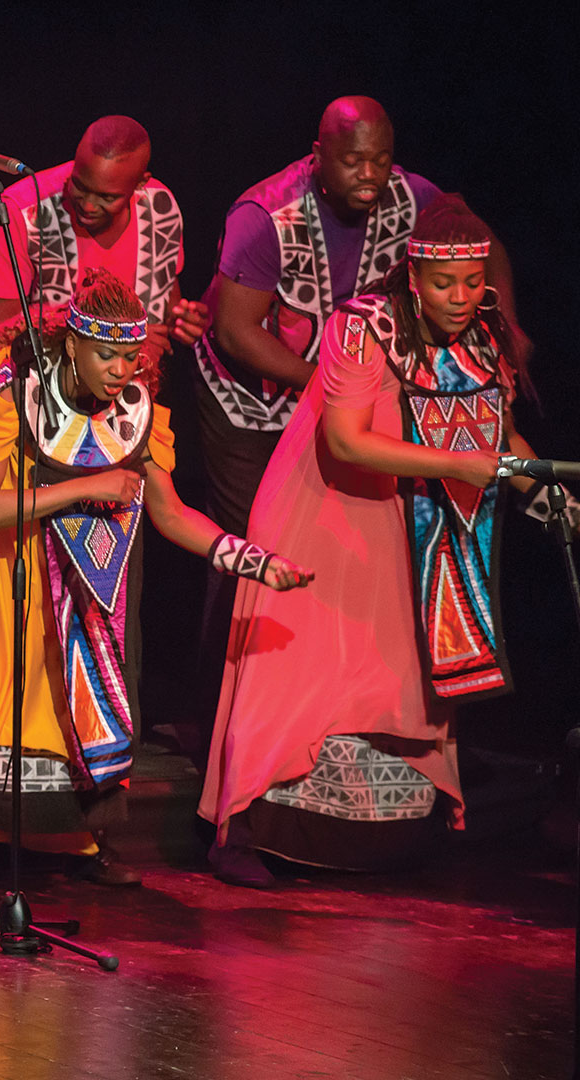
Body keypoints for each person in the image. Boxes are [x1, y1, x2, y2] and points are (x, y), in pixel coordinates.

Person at [0, 270, 312, 898]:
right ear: (71, 347)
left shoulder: (134, 403)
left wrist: (250, 560)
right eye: (107, 356)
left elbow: (167, 513)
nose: (122, 371)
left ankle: (79, 838)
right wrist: (88, 488)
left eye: (130, 357)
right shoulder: (9, 386)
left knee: (66, 676)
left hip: (55, 532)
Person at [200, 197, 557, 888]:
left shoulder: (483, 337)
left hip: (407, 520)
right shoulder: (363, 327)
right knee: (297, 674)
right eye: (445, 284)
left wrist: (546, 493)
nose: (461, 297)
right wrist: (457, 465)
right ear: (414, 278)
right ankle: (240, 828)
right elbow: (345, 439)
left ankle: (381, 839)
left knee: (394, 676)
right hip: (324, 510)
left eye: (474, 282)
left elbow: (497, 436)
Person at [185, 97, 444, 763]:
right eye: (353, 159)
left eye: (381, 159)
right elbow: (236, 331)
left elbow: (477, 241)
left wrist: (511, 324)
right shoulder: (266, 214)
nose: (369, 173)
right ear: (318, 154)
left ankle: (321, 713)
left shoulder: (413, 198)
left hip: (343, 402)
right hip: (252, 402)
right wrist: (326, 386)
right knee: (252, 545)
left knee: (343, 541)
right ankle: (220, 722)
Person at [0, 115, 205, 364]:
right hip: (25, 389)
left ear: (139, 183)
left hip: (121, 390)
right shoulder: (19, 214)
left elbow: (163, 301)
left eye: (107, 198)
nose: (88, 205)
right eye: (79, 185)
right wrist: (125, 340)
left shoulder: (160, 210)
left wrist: (180, 320)